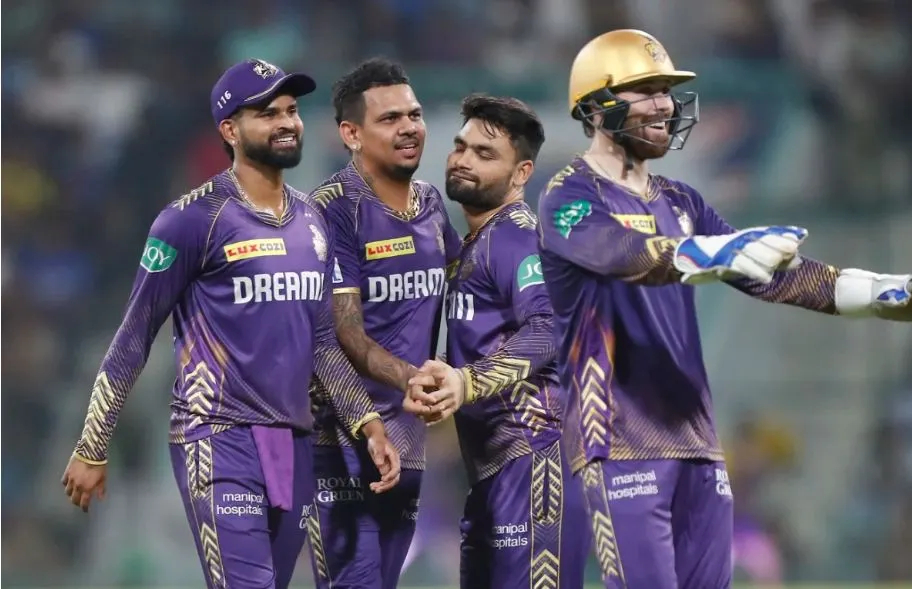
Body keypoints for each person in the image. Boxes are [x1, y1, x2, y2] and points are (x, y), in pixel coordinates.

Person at [535, 29, 912, 589]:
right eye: (647, 90)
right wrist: (715, 253)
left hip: (698, 447)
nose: (664, 104)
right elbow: (626, 255)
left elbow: (774, 274)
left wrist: (878, 293)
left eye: (667, 91)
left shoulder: (681, 201)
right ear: (596, 107)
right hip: (618, 444)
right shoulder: (567, 196)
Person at [60, 58, 401, 589]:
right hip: (216, 436)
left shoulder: (314, 222)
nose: (286, 122)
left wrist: (367, 423)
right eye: (267, 114)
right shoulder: (189, 221)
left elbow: (321, 342)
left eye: (291, 110)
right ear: (230, 130)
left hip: (293, 444)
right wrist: (92, 444)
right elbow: (134, 335)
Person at [405, 94, 591, 588]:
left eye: (485, 154)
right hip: (493, 473)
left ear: (521, 172)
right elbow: (488, 343)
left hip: (536, 467)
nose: (463, 159)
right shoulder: (474, 245)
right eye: (461, 146)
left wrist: (466, 382)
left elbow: (549, 327)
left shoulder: (517, 239)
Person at [305, 57, 461, 589]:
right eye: (390, 118)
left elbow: (467, 288)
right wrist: (411, 379)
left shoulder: (431, 206)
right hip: (341, 441)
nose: (409, 128)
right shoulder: (330, 210)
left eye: (414, 115)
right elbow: (343, 332)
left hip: (409, 439)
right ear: (351, 134)